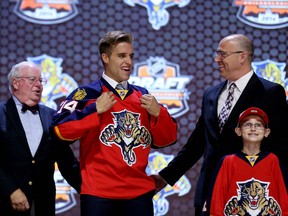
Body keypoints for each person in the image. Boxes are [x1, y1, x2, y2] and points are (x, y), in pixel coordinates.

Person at [152, 34, 288, 215]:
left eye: (223, 54)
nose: (217, 59)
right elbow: (197, 143)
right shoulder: (211, 94)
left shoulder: (270, 92)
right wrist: (165, 177)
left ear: (242, 56)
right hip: (209, 189)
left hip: (250, 193)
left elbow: (282, 146)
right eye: (217, 54)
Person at [50, 30, 178, 216]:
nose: (129, 62)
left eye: (131, 56)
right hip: (99, 194)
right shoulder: (87, 94)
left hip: (139, 194)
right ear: (106, 57)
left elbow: (167, 139)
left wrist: (159, 113)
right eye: (121, 56)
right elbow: (59, 130)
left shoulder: (143, 95)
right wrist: (94, 110)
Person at [0, 61, 81, 216]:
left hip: (43, 204)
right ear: (15, 83)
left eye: (41, 81)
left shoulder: (52, 116)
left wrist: (91, 192)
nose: (39, 85)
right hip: (6, 203)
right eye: (32, 80)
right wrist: (11, 190)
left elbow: (66, 161)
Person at [209, 107, 288, 215]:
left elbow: (284, 199)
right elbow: (217, 200)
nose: (253, 128)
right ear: (238, 131)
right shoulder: (228, 161)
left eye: (258, 125)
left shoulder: (273, 160)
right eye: (247, 124)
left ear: (266, 132)